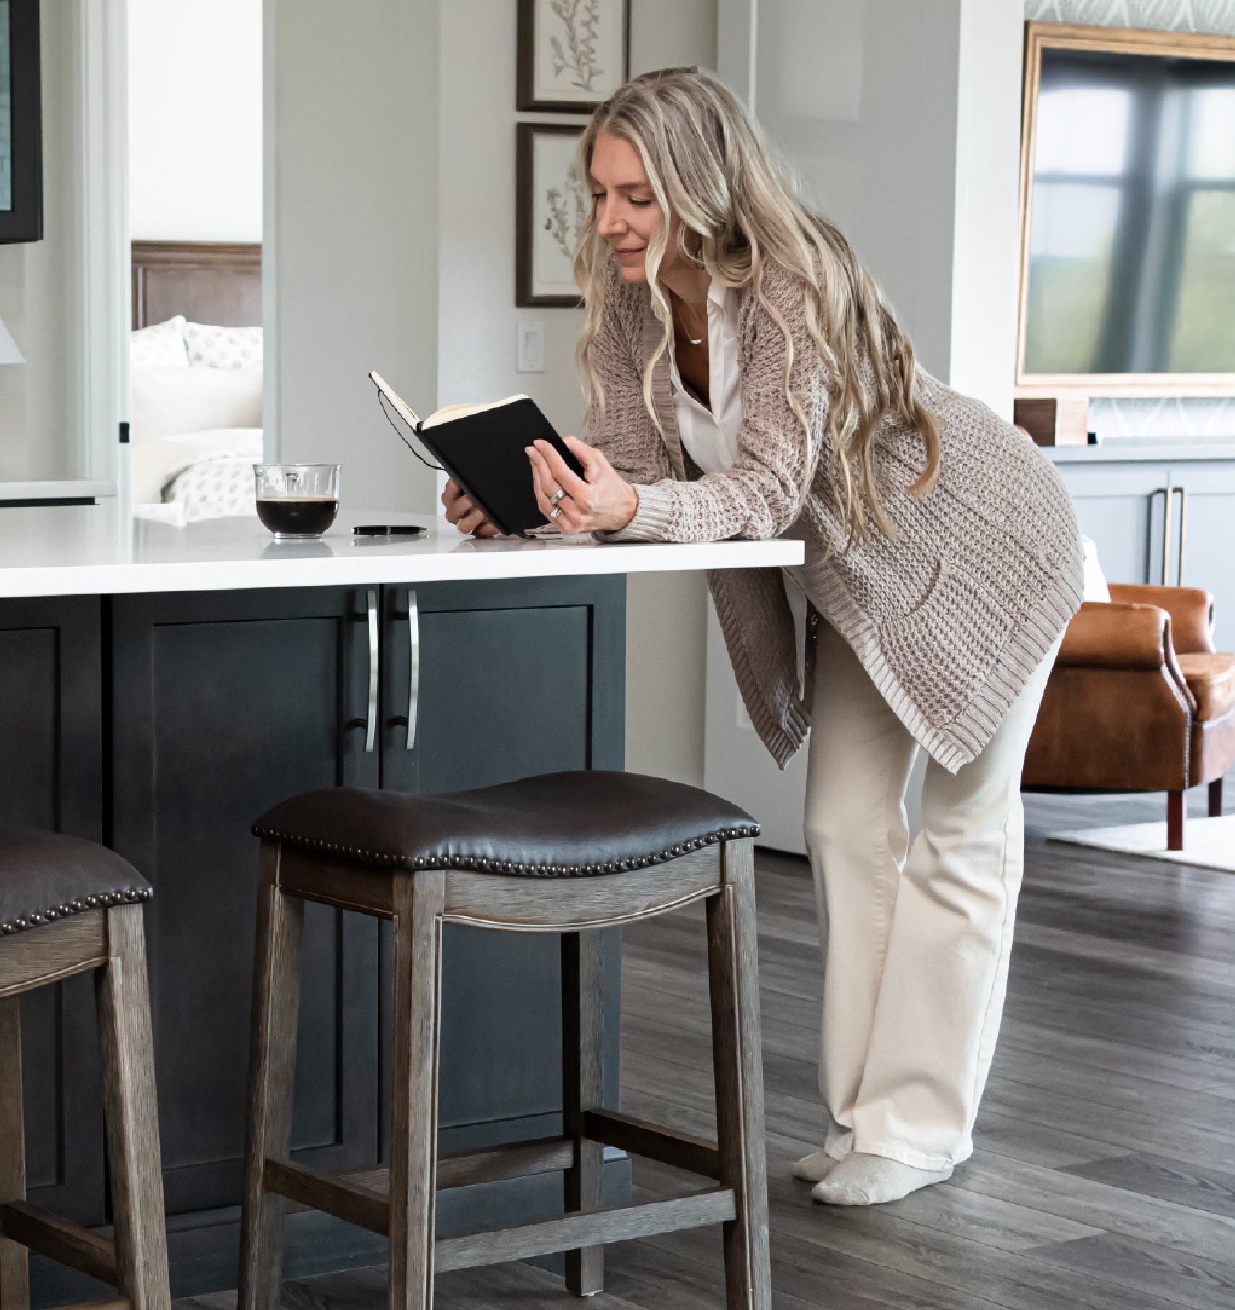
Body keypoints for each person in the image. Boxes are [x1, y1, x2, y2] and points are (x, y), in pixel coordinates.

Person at [445, 68, 1081, 1208]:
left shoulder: (796, 284)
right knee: (843, 825)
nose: (610, 222)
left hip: (987, 552)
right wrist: (528, 501)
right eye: (600, 193)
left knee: (965, 834)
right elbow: (634, 477)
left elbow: (767, 482)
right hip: (865, 579)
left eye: (636, 195)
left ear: (701, 179)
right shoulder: (637, 303)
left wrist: (628, 507)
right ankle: (863, 1117)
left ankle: (920, 1128)